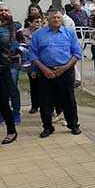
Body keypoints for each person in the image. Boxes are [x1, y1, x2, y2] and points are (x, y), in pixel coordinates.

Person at [29, 8, 82, 138]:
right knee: (45, 100)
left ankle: (73, 125)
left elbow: (77, 53)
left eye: (59, 17)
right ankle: (47, 127)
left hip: (66, 71)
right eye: (54, 18)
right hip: (46, 71)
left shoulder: (69, 33)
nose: (56, 20)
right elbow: (33, 55)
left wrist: (63, 68)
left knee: (69, 99)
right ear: (48, 18)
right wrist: (44, 69)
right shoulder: (38, 35)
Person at [0, 3, 19, 144]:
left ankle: (11, 131)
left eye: (5, 10)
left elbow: (13, 46)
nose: (3, 13)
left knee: (3, 101)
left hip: (3, 68)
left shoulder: (11, 27)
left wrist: (10, 22)